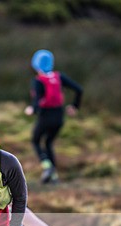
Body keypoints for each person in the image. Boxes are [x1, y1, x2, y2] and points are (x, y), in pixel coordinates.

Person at [24, 49, 83, 183]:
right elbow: (79, 89)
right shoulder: (58, 77)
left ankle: (47, 166)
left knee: (35, 140)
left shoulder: (38, 81)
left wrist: (31, 110)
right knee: (49, 143)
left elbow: (37, 101)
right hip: (59, 117)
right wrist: (75, 106)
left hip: (46, 116)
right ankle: (54, 176)